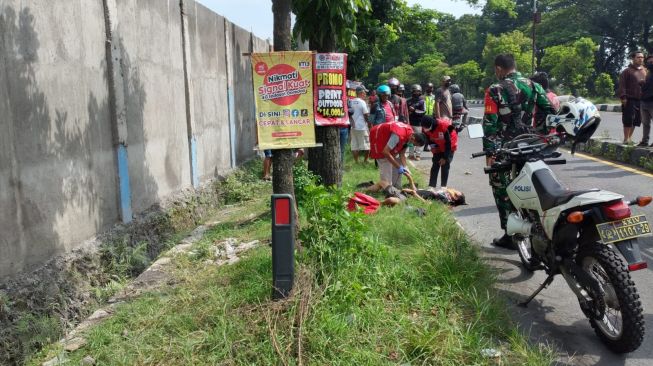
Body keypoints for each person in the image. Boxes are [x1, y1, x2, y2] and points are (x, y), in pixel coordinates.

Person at [482, 53, 555, 249]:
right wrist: (540, 135)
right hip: (530, 146)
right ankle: (538, 229)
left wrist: (490, 153)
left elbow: (490, 124)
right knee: (530, 187)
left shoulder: (494, 89)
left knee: (502, 189)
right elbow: (548, 110)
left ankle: (510, 233)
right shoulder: (533, 85)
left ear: (498, 69)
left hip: (505, 149)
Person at [369, 121, 426, 189]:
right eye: (414, 144)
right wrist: (399, 167)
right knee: (387, 182)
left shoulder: (410, 135)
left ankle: (396, 186)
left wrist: (405, 167)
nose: (412, 146)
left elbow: (402, 153)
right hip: (378, 135)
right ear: (413, 138)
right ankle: (367, 190)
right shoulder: (398, 135)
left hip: (387, 139)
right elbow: (385, 152)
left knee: (398, 162)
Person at [618, 51, 647, 144]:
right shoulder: (627, 71)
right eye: (638, 57)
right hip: (629, 99)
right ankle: (626, 139)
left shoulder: (645, 71)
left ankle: (629, 138)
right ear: (633, 58)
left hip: (641, 100)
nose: (640, 59)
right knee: (628, 119)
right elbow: (622, 85)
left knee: (636, 120)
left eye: (642, 57)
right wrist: (623, 97)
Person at [421, 116, 457, 188]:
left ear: (431, 124)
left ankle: (443, 186)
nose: (425, 129)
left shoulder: (444, 126)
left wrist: (445, 157)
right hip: (438, 143)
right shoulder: (425, 127)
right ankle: (432, 186)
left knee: (445, 164)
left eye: (426, 128)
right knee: (435, 163)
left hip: (450, 144)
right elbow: (429, 140)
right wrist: (435, 151)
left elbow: (448, 142)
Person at [349, 86, 371, 163]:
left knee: (354, 145)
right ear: (361, 93)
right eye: (365, 93)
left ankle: (356, 162)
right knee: (367, 145)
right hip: (362, 127)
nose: (365, 95)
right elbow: (366, 115)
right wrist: (369, 125)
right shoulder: (362, 102)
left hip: (353, 127)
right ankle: (365, 161)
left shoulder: (351, 101)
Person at [407, 84, 426, 160]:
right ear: (412, 91)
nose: (416, 93)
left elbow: (423, 111)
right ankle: (411, 154)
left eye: (418, 91)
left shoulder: (422, 101)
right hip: (409, 123)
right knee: (410, 139)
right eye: (415, 91)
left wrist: (414, 111)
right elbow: (405, 112)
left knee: (419, 139)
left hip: (418, 123)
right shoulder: (408, 101)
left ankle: (418, 155)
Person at [638, 55, 653, 146]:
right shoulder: (647, 73)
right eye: (649, 62)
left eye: (652, 62)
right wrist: (642, 84)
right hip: (644, 101)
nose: (651, 64)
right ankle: (644, 141)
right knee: (645, 123)